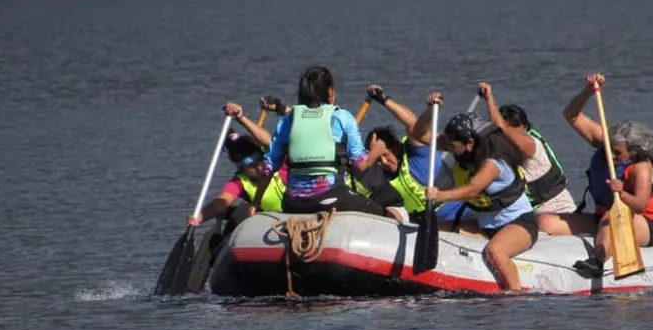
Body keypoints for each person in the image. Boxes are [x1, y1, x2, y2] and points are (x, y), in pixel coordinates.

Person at [421, 95, 537, 292]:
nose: (448, 147)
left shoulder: (493, 162)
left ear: (469, 143)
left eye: (452, 145)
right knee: (435, 228)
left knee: (495, 251)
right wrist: (429, 110)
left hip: (520, 223)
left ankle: (516, 295)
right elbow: (419, 134)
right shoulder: (461, 148)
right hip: (486, 226)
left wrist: (440, 195)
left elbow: (473, 188)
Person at [553, 74, 653, 278]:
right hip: (603, 217)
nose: (611, 156)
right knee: (546, 222)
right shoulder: (607, 144)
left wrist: (622, 192)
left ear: (632, 151)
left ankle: (598, 261)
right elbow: (572, 115)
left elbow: (640, 205)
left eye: (617, 154)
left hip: (645, 223)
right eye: (609, 150)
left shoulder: (642, 168)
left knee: (608, 217)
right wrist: (588, 90)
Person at [253, 66, 395, 216]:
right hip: (331, 198)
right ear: (330, 92)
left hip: (292, 203)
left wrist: (255, 203)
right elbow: (360, 165)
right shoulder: (341, 117)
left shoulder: (287, 120)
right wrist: (376, 150)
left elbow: (267, 169)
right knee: (387, 205)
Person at [478, 81, 577, 234]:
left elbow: (499, 129)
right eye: (508, 126)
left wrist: (489, 98)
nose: (512, 132)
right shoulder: (502, 150)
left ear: (524, 126)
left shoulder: (530, 144)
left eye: (515, 126)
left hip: (557, 210)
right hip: (527, 215)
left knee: (540, 224)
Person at [352, 85, 461, 222]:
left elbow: (412, 125)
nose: (384, 163)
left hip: (457, 210)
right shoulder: (381, 179)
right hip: (426, 224)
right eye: (378, 160)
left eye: (385, 155)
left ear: (395, 147)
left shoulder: (416, 152)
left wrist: (383, 99)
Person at [187, 132, 287, 233]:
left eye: (260, 160)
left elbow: (270, 141)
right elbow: (221, 202)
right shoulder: (238, 182)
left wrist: (241, 118)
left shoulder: (280, 163)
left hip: (298, 214)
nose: (259, 167)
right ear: (241, 167)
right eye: (251, 165)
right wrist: (198, 218)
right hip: (270, 223)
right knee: (241, 210)